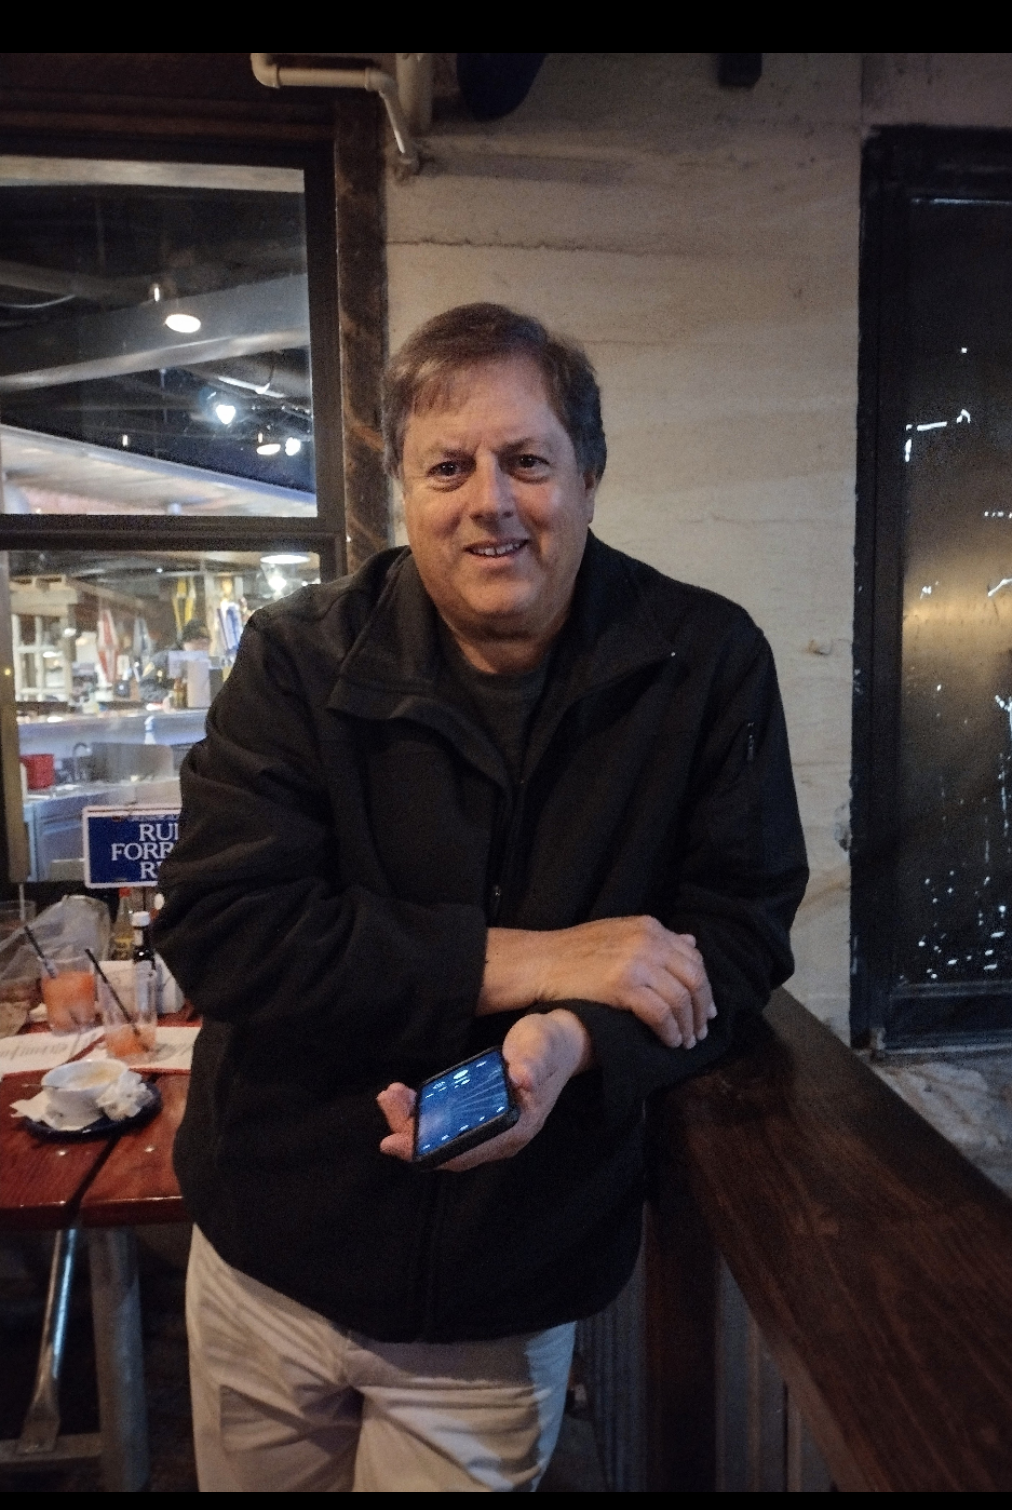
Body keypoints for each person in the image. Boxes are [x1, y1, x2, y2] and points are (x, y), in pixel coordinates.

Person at [154, 303, 808, 1492]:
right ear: (401, 488)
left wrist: (575, 1040)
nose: (488, 502)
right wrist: (539, 960)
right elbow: (221, 928)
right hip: (268, 1259)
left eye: (527, 461)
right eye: (447, 467)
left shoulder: (704, 659)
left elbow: (743, 929)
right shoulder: (300, 657)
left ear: (591, 475)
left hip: (507, 1282)